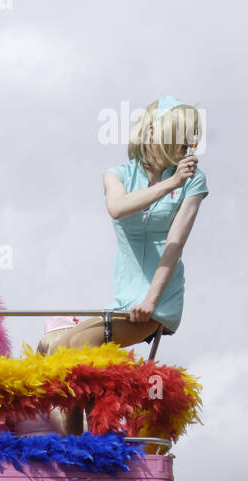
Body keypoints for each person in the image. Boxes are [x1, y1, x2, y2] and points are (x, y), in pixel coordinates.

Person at [39, 97, 207, 357]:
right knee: (49, 348)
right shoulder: (118, 174)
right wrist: (171, 183)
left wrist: (151, 300)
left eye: (191, 137)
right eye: (180, 133)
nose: (187, 143)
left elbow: (175, 243)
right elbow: (117, 208)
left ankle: (111, 398)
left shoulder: (193, 181)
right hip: (123, 298)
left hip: (158, 298)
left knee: (79, 345)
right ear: (153, 131)